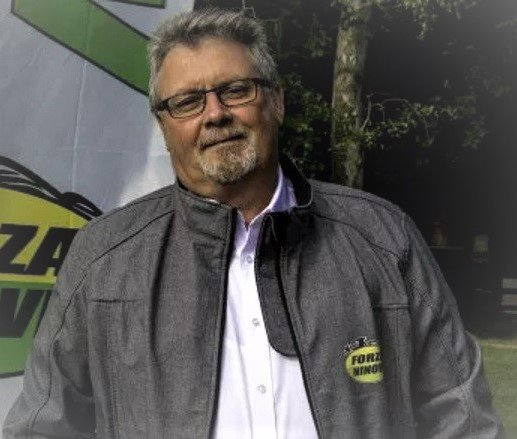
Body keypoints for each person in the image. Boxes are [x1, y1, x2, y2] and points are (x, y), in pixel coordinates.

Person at [3, 7, 502, 439]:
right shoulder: (104, 260)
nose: (215, 114)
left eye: (235, 90)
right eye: (187, 102)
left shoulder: (384, 239)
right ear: (163, 126)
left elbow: (461, 417)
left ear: (276, 101)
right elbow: (42, 428)